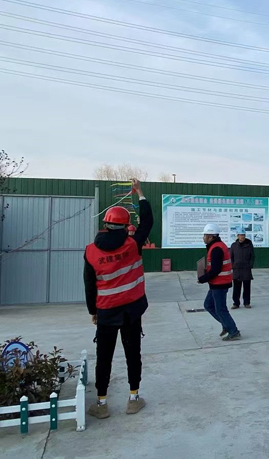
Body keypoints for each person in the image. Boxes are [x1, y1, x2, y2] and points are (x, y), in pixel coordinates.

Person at [83, 178, 152, 419]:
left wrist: (93, 311)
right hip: (132, 311)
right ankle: (133, 399)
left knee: (104, 357)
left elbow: (89, 285)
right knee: (133, 354)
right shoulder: (132, 244)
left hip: (106, 312)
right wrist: (140, 193)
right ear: (125, 227)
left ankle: (101, 403)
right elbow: (148, 222)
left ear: (105, 224)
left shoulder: (91, 251)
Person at [198, 224, 241, 341]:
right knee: (208, 305)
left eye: (205, 235)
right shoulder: (216, 246)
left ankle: (233, 331)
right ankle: (226, 325)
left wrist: (203, 279)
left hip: (220, 284)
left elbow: (216, 270)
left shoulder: (216, 249)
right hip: (216, 283)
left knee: (220, 309)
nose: (203, 238)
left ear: (211, 236)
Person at [230, 229, 255, 309]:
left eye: (243, 235)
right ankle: (236, 303)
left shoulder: (249, 245)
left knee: (247, 287)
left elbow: (252, 256)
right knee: (236, 288)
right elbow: (231, 257)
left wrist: (250, 265)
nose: (242, 237)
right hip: (237, 269)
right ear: (237, 236)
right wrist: (233, 265)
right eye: (240, 235)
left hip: (246, 269)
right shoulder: (234, 245)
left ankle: (247, 302)